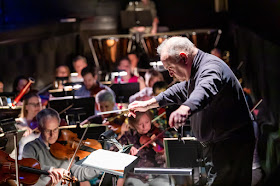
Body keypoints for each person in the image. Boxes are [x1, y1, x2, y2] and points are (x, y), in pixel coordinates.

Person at [128, 36, 255, 185]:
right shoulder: (197, 70)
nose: (170, 74)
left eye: (171, 68)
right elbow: (180, 90)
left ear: (183, 58)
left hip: (230, 147)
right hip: (220, 145)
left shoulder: (211, 67)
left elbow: (204, 89)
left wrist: (185, 108)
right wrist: (149, 104)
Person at [22, 108, 100, 186]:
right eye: (47, 130)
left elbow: (79, 173)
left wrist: (100, 167)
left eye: (55, 129)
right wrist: (51, 170)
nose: (52, 135)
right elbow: (28, 168)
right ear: (39, 128)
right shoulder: (31, 147)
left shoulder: (64, 148)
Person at [110, 110, 169, 186]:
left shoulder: (158, 133)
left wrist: (156, 146)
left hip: (156, 175)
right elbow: (113, 151)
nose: (144, 126)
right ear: (133, 124)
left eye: (147, 122)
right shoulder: (128, 136)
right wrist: (126, 150)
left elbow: (167, 154)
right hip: (136, 176)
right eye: (140, 124)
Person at [13, 92, 42, 159]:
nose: (37, 107)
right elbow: (11, 126)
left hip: (40, 159)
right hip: (24, 160)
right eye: (33, 104)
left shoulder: (42, 122)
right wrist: (21, 128)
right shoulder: (20, 122)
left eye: (38, 104)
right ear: (26, 106)